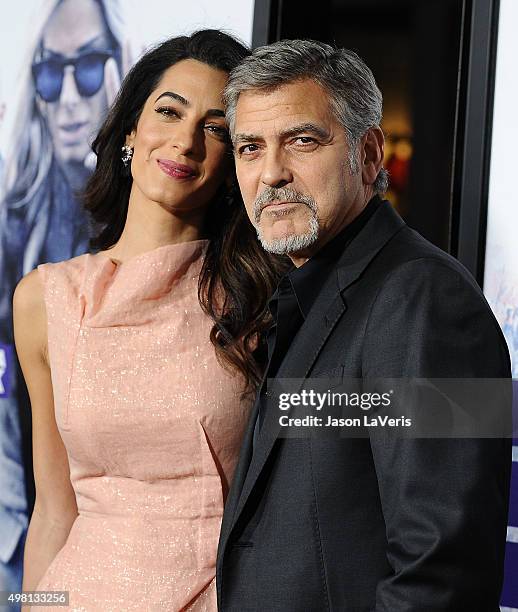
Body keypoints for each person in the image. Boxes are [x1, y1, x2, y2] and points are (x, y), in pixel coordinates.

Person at [216, 39, 512, 611]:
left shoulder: (429, 300)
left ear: (369, 153)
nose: (272, 173)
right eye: (250, 148)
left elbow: (444, 569)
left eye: (302, 140)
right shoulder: (304, 295)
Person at [13, 30, 280, 610]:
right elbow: (55, 509)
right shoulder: (45, 300)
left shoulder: (258, 297)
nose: (185, 142)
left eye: (215, 129)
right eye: (169, 112)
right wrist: (40, 605)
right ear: (132, 129)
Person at [0, 2, 125, 605]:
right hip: (31, 530)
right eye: (51, 72)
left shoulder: (158, 229)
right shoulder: (14, 228)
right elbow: (50, 502)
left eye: (91, 63)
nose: (71, 96)